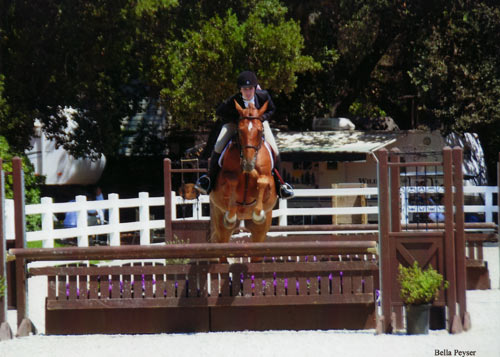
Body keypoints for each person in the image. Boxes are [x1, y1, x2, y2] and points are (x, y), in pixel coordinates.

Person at [195, 71, 294, 199]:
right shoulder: (234, 99)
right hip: (235, 125)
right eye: (244, 89)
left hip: (259, 124)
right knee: (218, 145)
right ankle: (208, 180)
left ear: (255, 88)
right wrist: (238, 119)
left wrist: (261, 117)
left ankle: (281, 185)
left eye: (250, 89)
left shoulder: (263, 96)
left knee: (275, 150)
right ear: (240, 90)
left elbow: (272, 109)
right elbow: (220, 111)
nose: (248, 92)